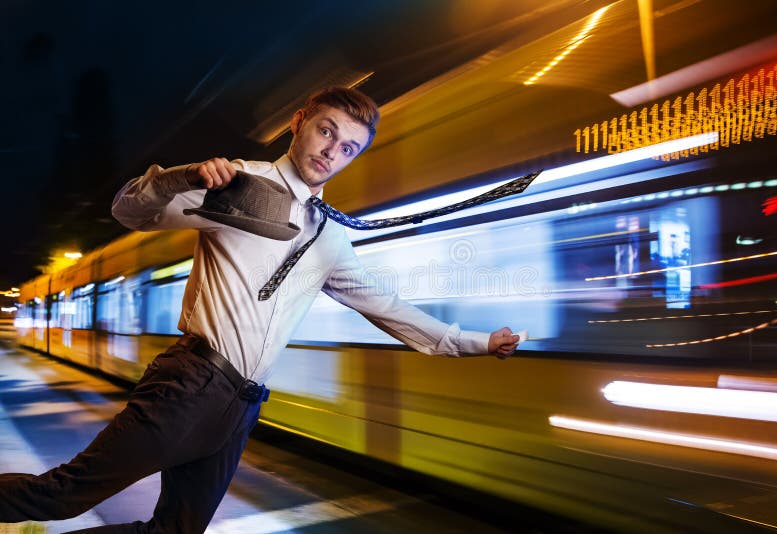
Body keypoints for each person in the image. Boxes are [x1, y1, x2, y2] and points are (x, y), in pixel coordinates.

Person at [0, 86, 519, 532]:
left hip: (242, 405)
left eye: (348, 147)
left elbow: (385, 306)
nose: (332, 150)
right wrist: (181, 177)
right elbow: (130, 211)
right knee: (62, 495)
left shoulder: (331, 234)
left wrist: (472, 342)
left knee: (176, 530)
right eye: (326, 131)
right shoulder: (239, 183)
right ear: (299, 123)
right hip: (191, 383)